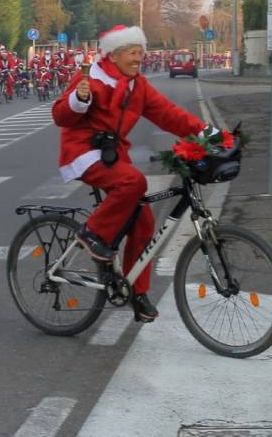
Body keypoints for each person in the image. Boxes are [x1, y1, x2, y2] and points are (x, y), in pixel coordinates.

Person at [53, 25, 207, 323]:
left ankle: (137, 292)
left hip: (113, 155)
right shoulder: (93, 78)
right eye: (133, 52)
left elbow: (168, 114)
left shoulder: (137, 85)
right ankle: (93, 234)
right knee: (133, 182)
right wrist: (79, 101)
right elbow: (61, 115)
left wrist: (209, 134)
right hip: (83, 151)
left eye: (141, 52)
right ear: (115, 54)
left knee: (143, 222)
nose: (139, 58)